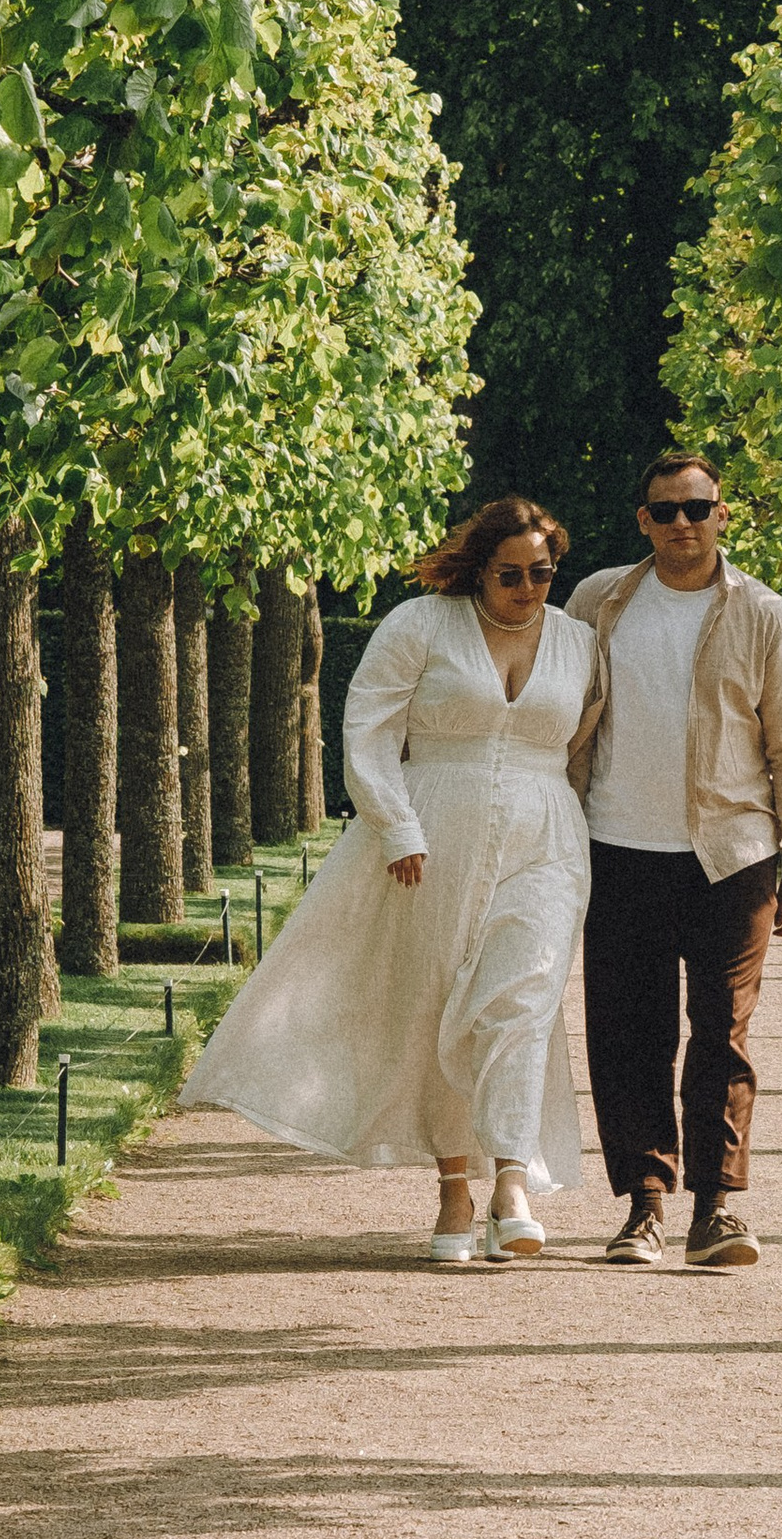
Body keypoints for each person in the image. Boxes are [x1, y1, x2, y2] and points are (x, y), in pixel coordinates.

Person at [190, 501, 597, 1264]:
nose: (529, 587)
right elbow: (369, 731)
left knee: (524, 993)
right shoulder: (419, 625)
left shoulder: (579, 642)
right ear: (479, 567)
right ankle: (454, 1188)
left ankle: (512, 1177)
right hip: (433, 832)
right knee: (439, 1002)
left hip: (545, 837)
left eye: (543, 572)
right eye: (511, 574)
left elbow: (583, 743)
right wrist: (398, 827)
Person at [566, 450, 782, 1269]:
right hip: (616, 847)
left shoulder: (765, 613)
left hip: (732, 855)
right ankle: (644, 1206)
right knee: (626, 1032)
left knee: (722, 1032)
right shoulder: (597, 601)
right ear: (643, 520)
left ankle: (718, 1209)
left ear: (722, 514)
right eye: (665, 510)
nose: (683, 522)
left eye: (697, 507)